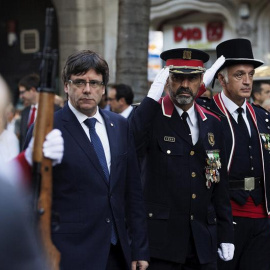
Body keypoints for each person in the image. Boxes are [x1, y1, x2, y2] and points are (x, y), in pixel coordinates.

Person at [24, 50, 149, 270]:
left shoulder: (120, 125)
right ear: (66, 85)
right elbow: (28, 195)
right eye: (79, 82)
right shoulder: (45, 128)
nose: (87, 89)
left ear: (103, 88)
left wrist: (139, 248)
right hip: (69, 253)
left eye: (94, 83)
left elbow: (132, 192)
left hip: (117, 253)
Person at [131, 48, 234, 269]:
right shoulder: (152, 116)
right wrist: (151, 98)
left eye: (192, 78)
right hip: (162, 244)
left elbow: (219, 184)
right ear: (167, 80)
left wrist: (226, 233)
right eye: (178, 78)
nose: (185, 85)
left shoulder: (213, 123)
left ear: (201, 80)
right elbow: (132, 144)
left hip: (202, 242)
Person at [197, 38, 270, 270]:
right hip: (223, 218)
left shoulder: (261, 116)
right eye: (239, 75)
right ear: (221, 79)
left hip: (262, 217)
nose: (247, 81)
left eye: (250, 74)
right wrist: (201, 85)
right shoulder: (206, 112)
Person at [18, 73, 61, 151]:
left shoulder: (55, 110)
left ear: (33, 90)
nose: (20, 96)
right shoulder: (24, 113)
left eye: (22, 92)